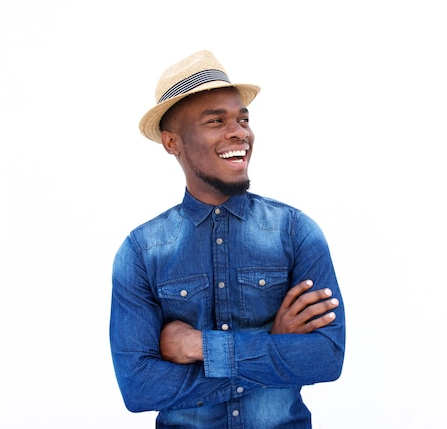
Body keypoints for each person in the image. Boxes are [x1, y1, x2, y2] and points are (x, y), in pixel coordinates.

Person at [109, 50, 345, 429]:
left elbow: (326, 358)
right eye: (216, 121)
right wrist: (273, 344)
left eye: (243, 119)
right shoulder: (141, 252)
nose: (239, 132)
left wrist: (199, 347)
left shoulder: (296, 233)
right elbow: (139, 389)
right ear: (172, 142)